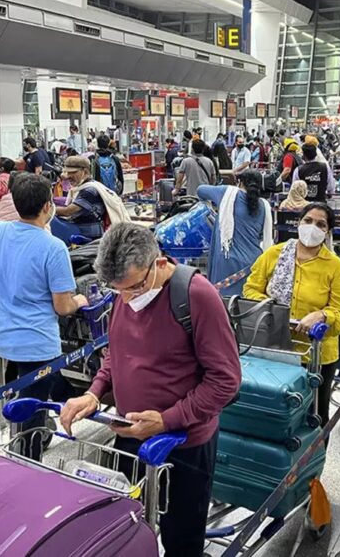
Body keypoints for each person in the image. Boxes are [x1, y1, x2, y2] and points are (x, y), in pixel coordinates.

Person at [59, 223, 240, 557]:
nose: (127, 298)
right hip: (130, 434)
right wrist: (94, 392)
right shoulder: (126, 295)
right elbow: (118, 352)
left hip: (184, 446)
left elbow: (225, 380)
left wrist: (169, 419)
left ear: (158, 263)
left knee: (181, 540)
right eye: (118, 291)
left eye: (134, 287)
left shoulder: (196, 296)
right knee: (125, 528)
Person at [0, 174, 87, 460]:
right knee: (31, 412)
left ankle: (60, 408)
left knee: (32, 390)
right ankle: (28, 460)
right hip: (37, 343)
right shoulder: (53, 248)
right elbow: (63, 307)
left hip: (2, 337)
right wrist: (81, 299)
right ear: (47, 206)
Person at [244, 203, 340, 425]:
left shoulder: (336, 267)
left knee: (313, 416)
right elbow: (250, 289)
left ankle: (315, 459)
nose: (312, 227)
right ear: (299, 223)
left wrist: (322, 315)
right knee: (274, 413)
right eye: (308, 221)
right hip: (273, 348)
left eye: (320, 224)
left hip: (314, 356)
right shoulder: (274, 254)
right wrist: (273, 309)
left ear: (328, 232)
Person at [197, 170, 273, 296]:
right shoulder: (263, 206)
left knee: (223, 304)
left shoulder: (227, 193)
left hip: (227, 260)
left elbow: (200, 190)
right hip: (253, 263)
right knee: (246, 303)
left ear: (240, 182)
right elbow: (261, 235)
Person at [55, 155, 130, 240]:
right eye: (67, 173)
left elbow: (68, 211)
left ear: (85, 172)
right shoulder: (82, 187)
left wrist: (49, 209)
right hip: (80, 230)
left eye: (73, 173)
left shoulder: (90, 190)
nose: (68, 176)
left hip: (90, 236)